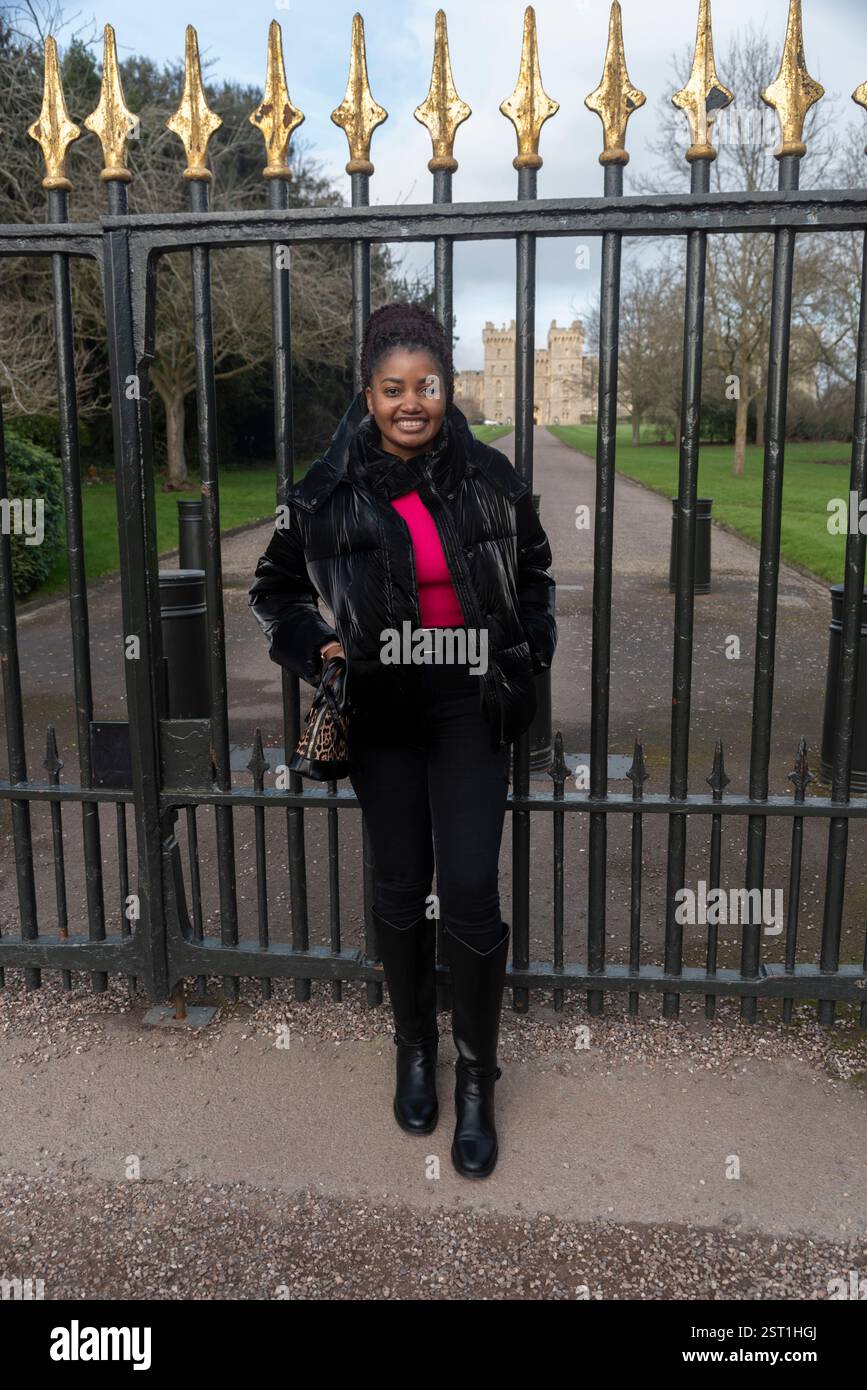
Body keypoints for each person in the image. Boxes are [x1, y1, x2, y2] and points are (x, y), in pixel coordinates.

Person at [248, 302, 557, 1179]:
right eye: (393, 389)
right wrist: (322, 649)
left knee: (466, 891)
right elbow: (273, 590)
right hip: (382, 707)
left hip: (468, 704)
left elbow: (533, 573)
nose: (410, 402)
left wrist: (526, 650)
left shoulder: (491, 477)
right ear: (368, 394)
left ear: (445, 388)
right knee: (397, 885)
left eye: (426, 386)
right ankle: (413, 1048)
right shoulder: (324, 490)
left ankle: (476, 1079)